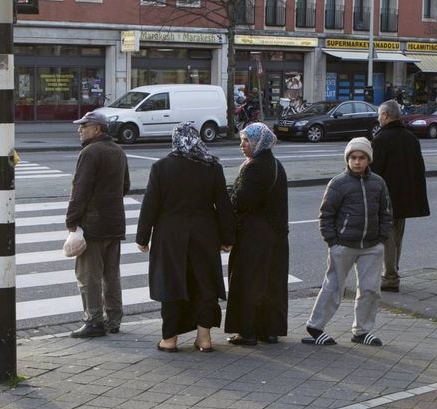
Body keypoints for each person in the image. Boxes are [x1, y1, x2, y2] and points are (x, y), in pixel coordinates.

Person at [136, 122, 235, 352]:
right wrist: (227, 236)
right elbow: (223, 205)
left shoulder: (161, 168)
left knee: (171, 284)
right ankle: (204, 338)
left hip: (169, 235)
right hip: (204, 233)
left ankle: (169, 339)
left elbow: (150, 206)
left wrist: (142, 237)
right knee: (204, 284)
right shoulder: (211, 167)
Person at [303, 137, 392, 347]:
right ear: (347, 159)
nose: (357, 162)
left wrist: (381, 238)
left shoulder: (378, 183)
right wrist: (333, 241)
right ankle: (315, 327)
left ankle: (362, 331)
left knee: (370, 289)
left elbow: (385, 211)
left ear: (368, 159)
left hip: (371, 246)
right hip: (343, 245)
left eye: (362, 158)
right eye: (353, 157)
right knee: (333, 287)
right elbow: (326, 214)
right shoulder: (338, 183)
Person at [65, 111, 131, 338]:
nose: (80, 129)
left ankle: (94, 321)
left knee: (88, 275)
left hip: (93, 224)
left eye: (85, 125)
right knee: (111, 274)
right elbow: (125, 186)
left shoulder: (90, 152)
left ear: (98, 129)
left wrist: (71, 221)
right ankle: (114, 319)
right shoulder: (118, 151)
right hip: (114, 223)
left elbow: (80, 190)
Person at [224, 122, 290, 346]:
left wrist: (230, 194)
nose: (242, 145)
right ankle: (270, 331)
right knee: (272, 283)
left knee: (248, 282)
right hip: (276, 236)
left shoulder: (254, 167)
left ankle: (247, 331)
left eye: (246, 141)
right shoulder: (275, 165)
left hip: (254, 236)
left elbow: (243, 201)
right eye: (242, 140)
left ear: (258, 142)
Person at [371, 100, 430, 292]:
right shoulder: (411, 138)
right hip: (405, 197)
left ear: (386, 116)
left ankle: (389, 278)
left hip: (387, 197)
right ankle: (393, 270)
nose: (378, 119)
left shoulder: (381, 139)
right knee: (397, 237)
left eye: (379, 115)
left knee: (387, 237)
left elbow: (374, 170)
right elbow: (419, 168)